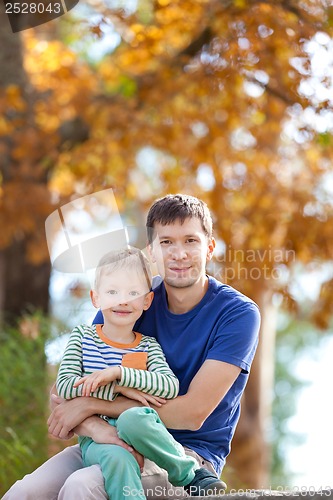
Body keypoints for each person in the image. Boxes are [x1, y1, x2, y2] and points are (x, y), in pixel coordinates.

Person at [4, 193, 261, 500]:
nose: (179, 253)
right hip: (106, 437)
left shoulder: (237, 314)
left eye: (190, 241)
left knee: (82, 486)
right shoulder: (130, 297)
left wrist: (93, 405)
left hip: (184, 456)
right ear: (151, 251)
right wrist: (97, 428)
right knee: (23, 493)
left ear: (209, 247)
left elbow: (191, 414)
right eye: (166, 242)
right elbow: (65, 397)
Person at [54, 247, 227, 499]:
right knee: (117, 458)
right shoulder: (82, 337)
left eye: (133, 292)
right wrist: (116, 388)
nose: (122, 300)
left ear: (146, 300)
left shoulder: (148, 345)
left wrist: (120, 374)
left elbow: (169, 386)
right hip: (97, 440)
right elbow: (65, 387)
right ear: (96, 298)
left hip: (144, 439)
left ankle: (189, 475)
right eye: (112, 291)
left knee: (133, 418)